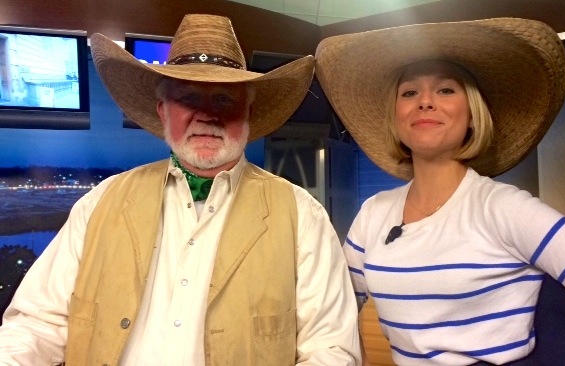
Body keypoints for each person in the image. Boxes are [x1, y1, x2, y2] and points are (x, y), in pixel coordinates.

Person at [0, 14, 361, 365]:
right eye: (189, 98)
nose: (206, 115)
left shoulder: (303, 216)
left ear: (248, 114)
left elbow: (332, 351)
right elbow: (37, 325)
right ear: (162, 110)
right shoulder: (100, 202)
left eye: (224, 99)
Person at [314, 17, 565, 366]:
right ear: (396, 117)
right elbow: (339, 310)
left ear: (471, 114)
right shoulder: (374, 213)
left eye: (445, 90)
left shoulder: (502, 208)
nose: (425, 101)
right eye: (409, 92)